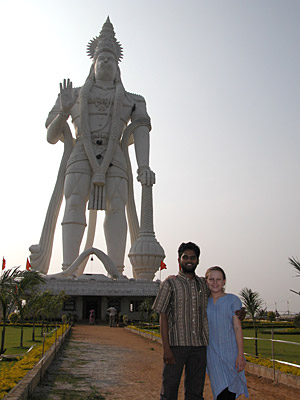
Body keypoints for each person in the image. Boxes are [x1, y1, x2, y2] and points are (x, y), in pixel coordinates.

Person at [33, 17, 155, 275]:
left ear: (118, 65)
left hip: (115, 159)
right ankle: (68, 270)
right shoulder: (73, 95)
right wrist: (64, 112)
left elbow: (141, 129)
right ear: (94, 62)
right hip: (80, 154)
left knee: (116, 205)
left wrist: (144, 166)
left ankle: (117, 272)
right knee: (74, 201)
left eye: (112, 59)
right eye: (103, 58)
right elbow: (51, 136)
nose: (107, 62)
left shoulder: (134, 100)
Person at [152, 242, 209, 400]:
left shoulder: (204, 285)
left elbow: (219, 301)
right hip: (176, 346)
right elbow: (163, 316)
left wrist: (237, 311)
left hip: (199, 346)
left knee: (195, 391)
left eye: (193, 257)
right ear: (179, 260)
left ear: (197, 260)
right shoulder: (169, 283)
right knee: (170, 389)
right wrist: (166, 348)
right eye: (185, 257)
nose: (189, 260)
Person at [205, 266, 249, 400]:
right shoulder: (203, 302)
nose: (215, 282)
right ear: (206, 281)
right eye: (211, 279)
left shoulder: (233, 300)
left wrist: (240, 355)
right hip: (212, 355)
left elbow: (237, 328)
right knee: (219, 391)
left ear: (224, 281)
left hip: (231, 354)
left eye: (218, 279)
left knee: (229, 391)